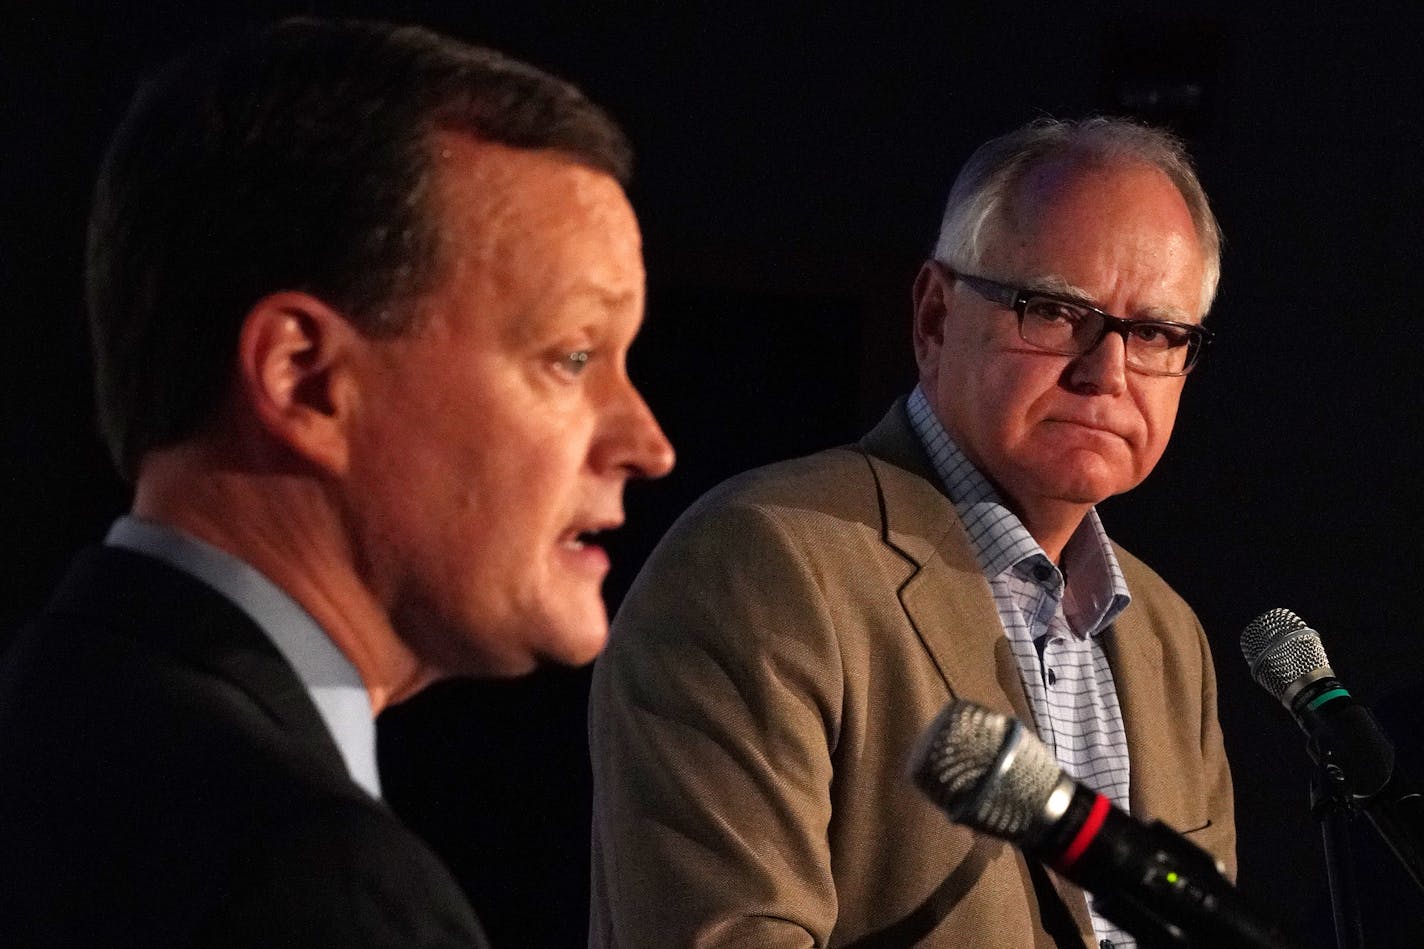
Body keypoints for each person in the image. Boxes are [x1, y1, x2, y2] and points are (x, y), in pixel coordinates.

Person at [0, 17, 673, 947]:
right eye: (571, 356)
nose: (648, 443)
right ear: (305, 379)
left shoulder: (59, 718)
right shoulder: (310, 883)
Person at [589, 116, 1232, 948]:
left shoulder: (1170, 639)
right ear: (933, 317)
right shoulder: (764, 561)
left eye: (1154, 334)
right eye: (1054, 312)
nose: (1106, 372)